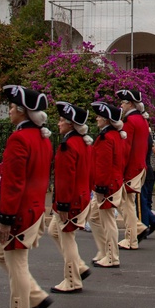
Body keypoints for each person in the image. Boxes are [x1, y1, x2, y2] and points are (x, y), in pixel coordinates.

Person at [0, 85, 53, 308]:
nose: (9, 111)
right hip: (33, 209)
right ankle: (36, 297)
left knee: (16, 264)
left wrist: (5, 218)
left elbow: (14, 183)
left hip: (20, 212)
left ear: (21, 110)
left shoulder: (19, 138)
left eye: (11, 107)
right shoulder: (41, 138)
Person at [47, 101, 94, 294]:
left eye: (61, 120)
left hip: (70, 200)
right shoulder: (83, 143)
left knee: (67, 239)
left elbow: (65, 179)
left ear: (69, 124)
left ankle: (72, 280)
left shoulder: (67, 145)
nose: (58, 124)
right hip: (81, 197)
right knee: (54, 231)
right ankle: (79, 267)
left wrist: (63, 206)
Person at [88, 102, 126, 268]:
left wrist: (101, 188)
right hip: (111, 183)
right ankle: (104, 251)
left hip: (107, 185)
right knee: (94, 217)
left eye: (99, 116)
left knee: (108, 220)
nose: (97, 119)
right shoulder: (113, 135)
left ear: (106, 119)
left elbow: (103, 166)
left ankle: (111, 256)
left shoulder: (106, 138)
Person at [117, 89, 150, 250]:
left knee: (126, 204)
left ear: (130, 103)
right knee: (126, 202)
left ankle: (131, 239)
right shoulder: (142, 120)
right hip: (140, 165)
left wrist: (120, 169)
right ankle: (138, 228)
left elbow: (126, 148)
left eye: (123, 102)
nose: (120, 105)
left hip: (132, 167)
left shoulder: (129, 121)